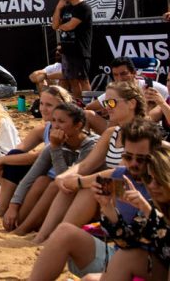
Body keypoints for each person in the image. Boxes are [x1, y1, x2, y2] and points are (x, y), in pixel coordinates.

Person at [27, 144, 170, 280]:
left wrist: (147, 210)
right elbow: (126, 242)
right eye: (149, 178)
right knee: (65, 231)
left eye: (141, 159)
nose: (152, 185)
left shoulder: (150, 205)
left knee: (124, 259)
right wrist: (107, 207)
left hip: (154, 268)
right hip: (137, 265)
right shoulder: (151, 200)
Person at [34, 85, 153, 243]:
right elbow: (85, 165)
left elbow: (122, 172)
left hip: (135, 191)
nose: (107, 108)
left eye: (111, 103)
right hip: (113, 189)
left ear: (131, 104)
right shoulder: (112, 132)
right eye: (105, 103)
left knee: (89, 188)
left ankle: (57, 239)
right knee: (67, 185)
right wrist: (64, 177)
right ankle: (42, 237)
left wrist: (79, 181)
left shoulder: (143, 134)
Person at [9, 102, 99, 236]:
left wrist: (56, 147)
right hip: (66, 196)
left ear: (78, 125)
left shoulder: (91, 146)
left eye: (61, 121)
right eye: (53, 120)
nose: (55, 126)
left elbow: (66, 180)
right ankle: (22, 225)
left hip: (88, 198)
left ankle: (24, 229)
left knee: (53, 186)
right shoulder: (55, 143)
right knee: (41, 180)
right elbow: (30, 177)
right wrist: (13, 206)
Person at [0, 85, 75, 230]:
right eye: (41, 103)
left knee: (38, 180)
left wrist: (0, 161)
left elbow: (37, 158)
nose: (43, 108)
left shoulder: (69, 130)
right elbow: (17, 151)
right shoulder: (44, 128)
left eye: (49, 105)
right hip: (44, 175)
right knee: (13, 158)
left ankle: (15, 217)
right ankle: (3, 209)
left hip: (56, 179)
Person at [51, 0, 93, 100]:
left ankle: (88, 104)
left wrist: (60, 26)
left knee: (83, 79)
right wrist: (58, 8)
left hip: (80, 49)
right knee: (72, 79)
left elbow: (70, 25)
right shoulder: (66, 8)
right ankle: (79, 103)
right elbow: (54, 26)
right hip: (67, 49)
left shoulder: (84, 7)